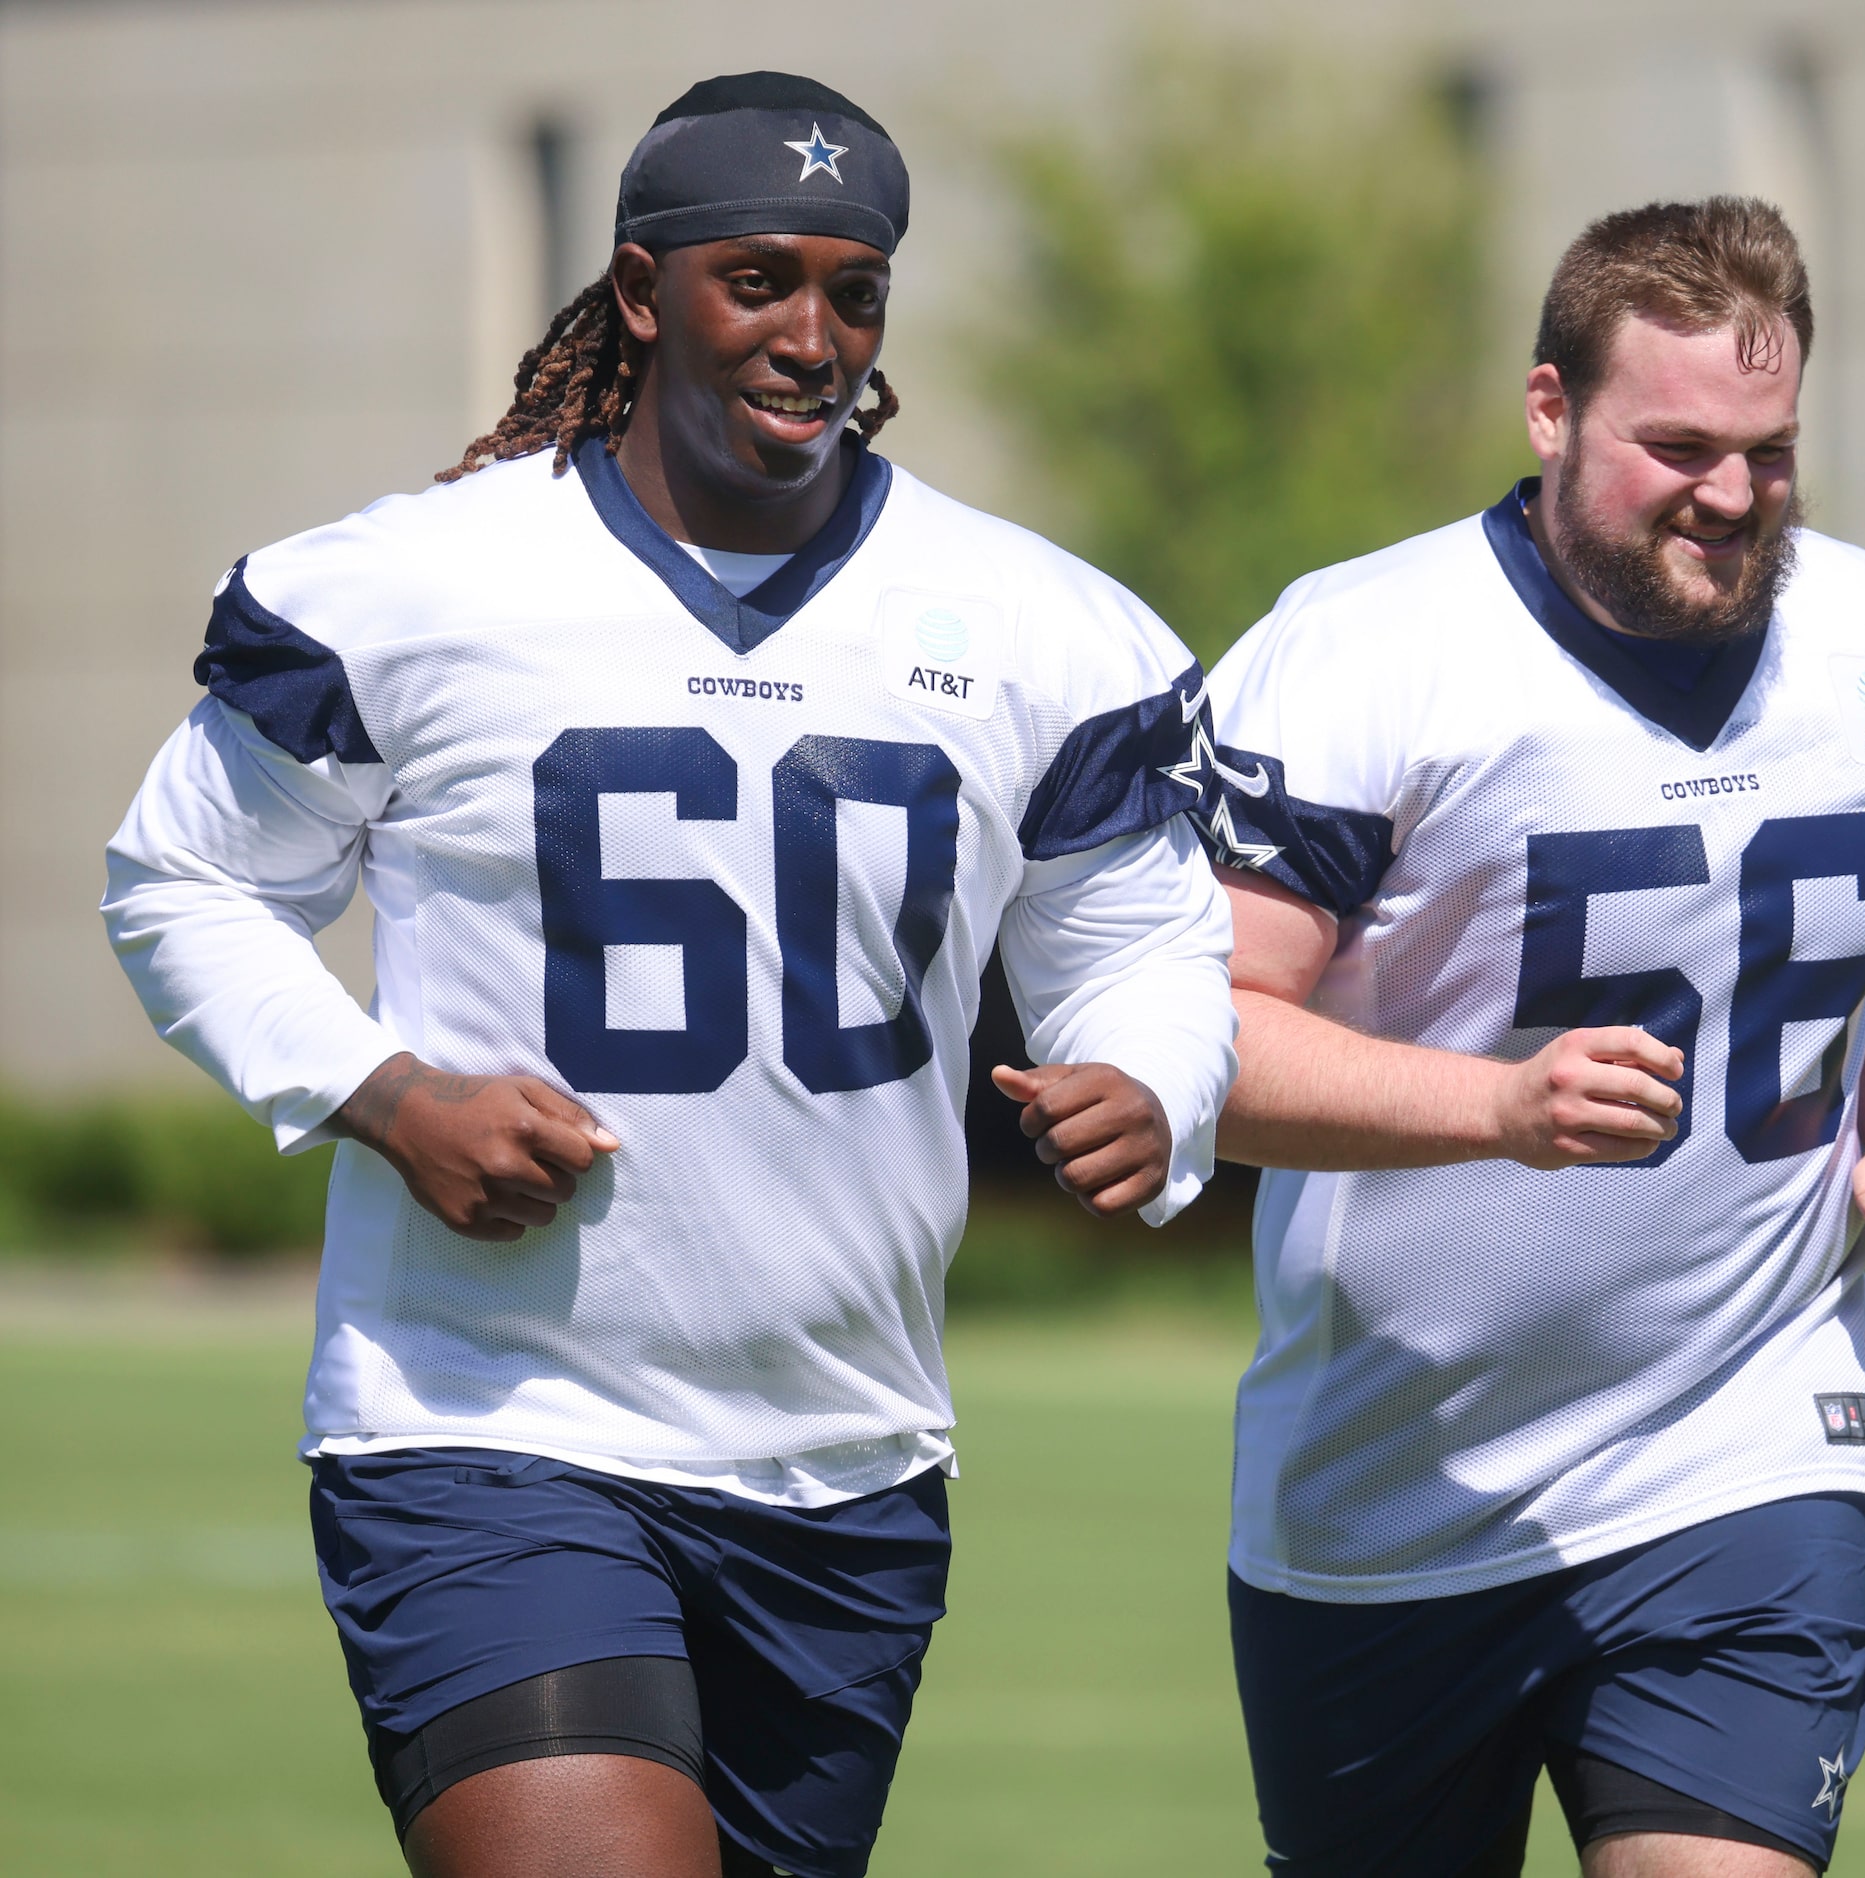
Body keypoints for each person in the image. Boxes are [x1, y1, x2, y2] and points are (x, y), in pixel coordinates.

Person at [101, 72, 1236, 1878]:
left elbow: (1142, 938)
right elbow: (185, 876)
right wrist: (390, 1100)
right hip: (487, 1427)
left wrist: (1150, 1075)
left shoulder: (1039, 625)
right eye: (759, 280)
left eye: (853, 290)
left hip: (842, 1456)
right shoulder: (419, 585)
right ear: (642, 292)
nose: (813, 335)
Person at [1190, 197, 1865, 1878]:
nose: (1731, 492)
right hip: (1394, 1489)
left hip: (1749, 1444)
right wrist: (1498, 1105)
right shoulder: (1364, 654)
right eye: (1678, 444)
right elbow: (1204, 1039)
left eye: (1769, 453)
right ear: (1550, 410)